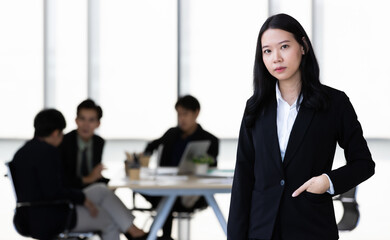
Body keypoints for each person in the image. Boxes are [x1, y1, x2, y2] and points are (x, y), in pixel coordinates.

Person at [227, 13, 375, 240]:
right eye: (267, 51)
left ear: (303, 46)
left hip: (311, 228)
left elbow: (364, 163)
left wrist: (328, 182)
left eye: (284, 46)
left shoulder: (334, 103)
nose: (276, 57)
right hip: (261, 231)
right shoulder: (255, 108)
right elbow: (243, 179)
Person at [11, 109, 147, 240]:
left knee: (101, 190)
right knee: (109, 221)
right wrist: (83, 199)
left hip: (27, 216)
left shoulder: (21, 153)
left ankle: (133, 231)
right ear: (55, 133)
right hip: (51, 216)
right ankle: (136, 233)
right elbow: (54, 191)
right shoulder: (49, 152)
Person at [142, 95, 219, 240]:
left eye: (185, 114)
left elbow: (211, 168)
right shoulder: (171, 134)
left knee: (168, 197)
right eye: (179, 114)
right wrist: (143, 157)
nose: (181, 119)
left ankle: (160, 236)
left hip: (192, 191)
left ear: (196, 113)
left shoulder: (210, 140)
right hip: (166, 186)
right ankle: (162, 236)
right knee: (163, 194)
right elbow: (151, 146)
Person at [59, 99, 107, 189]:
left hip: (91, 189)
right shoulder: (64, 141)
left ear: (98, 124)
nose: (86, 125)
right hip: (70, 192)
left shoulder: (99, 142)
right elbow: (62, 178)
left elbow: (95, 176)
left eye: (91, 120)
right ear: (76, 120)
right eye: (82, 119)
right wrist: (88, 179)